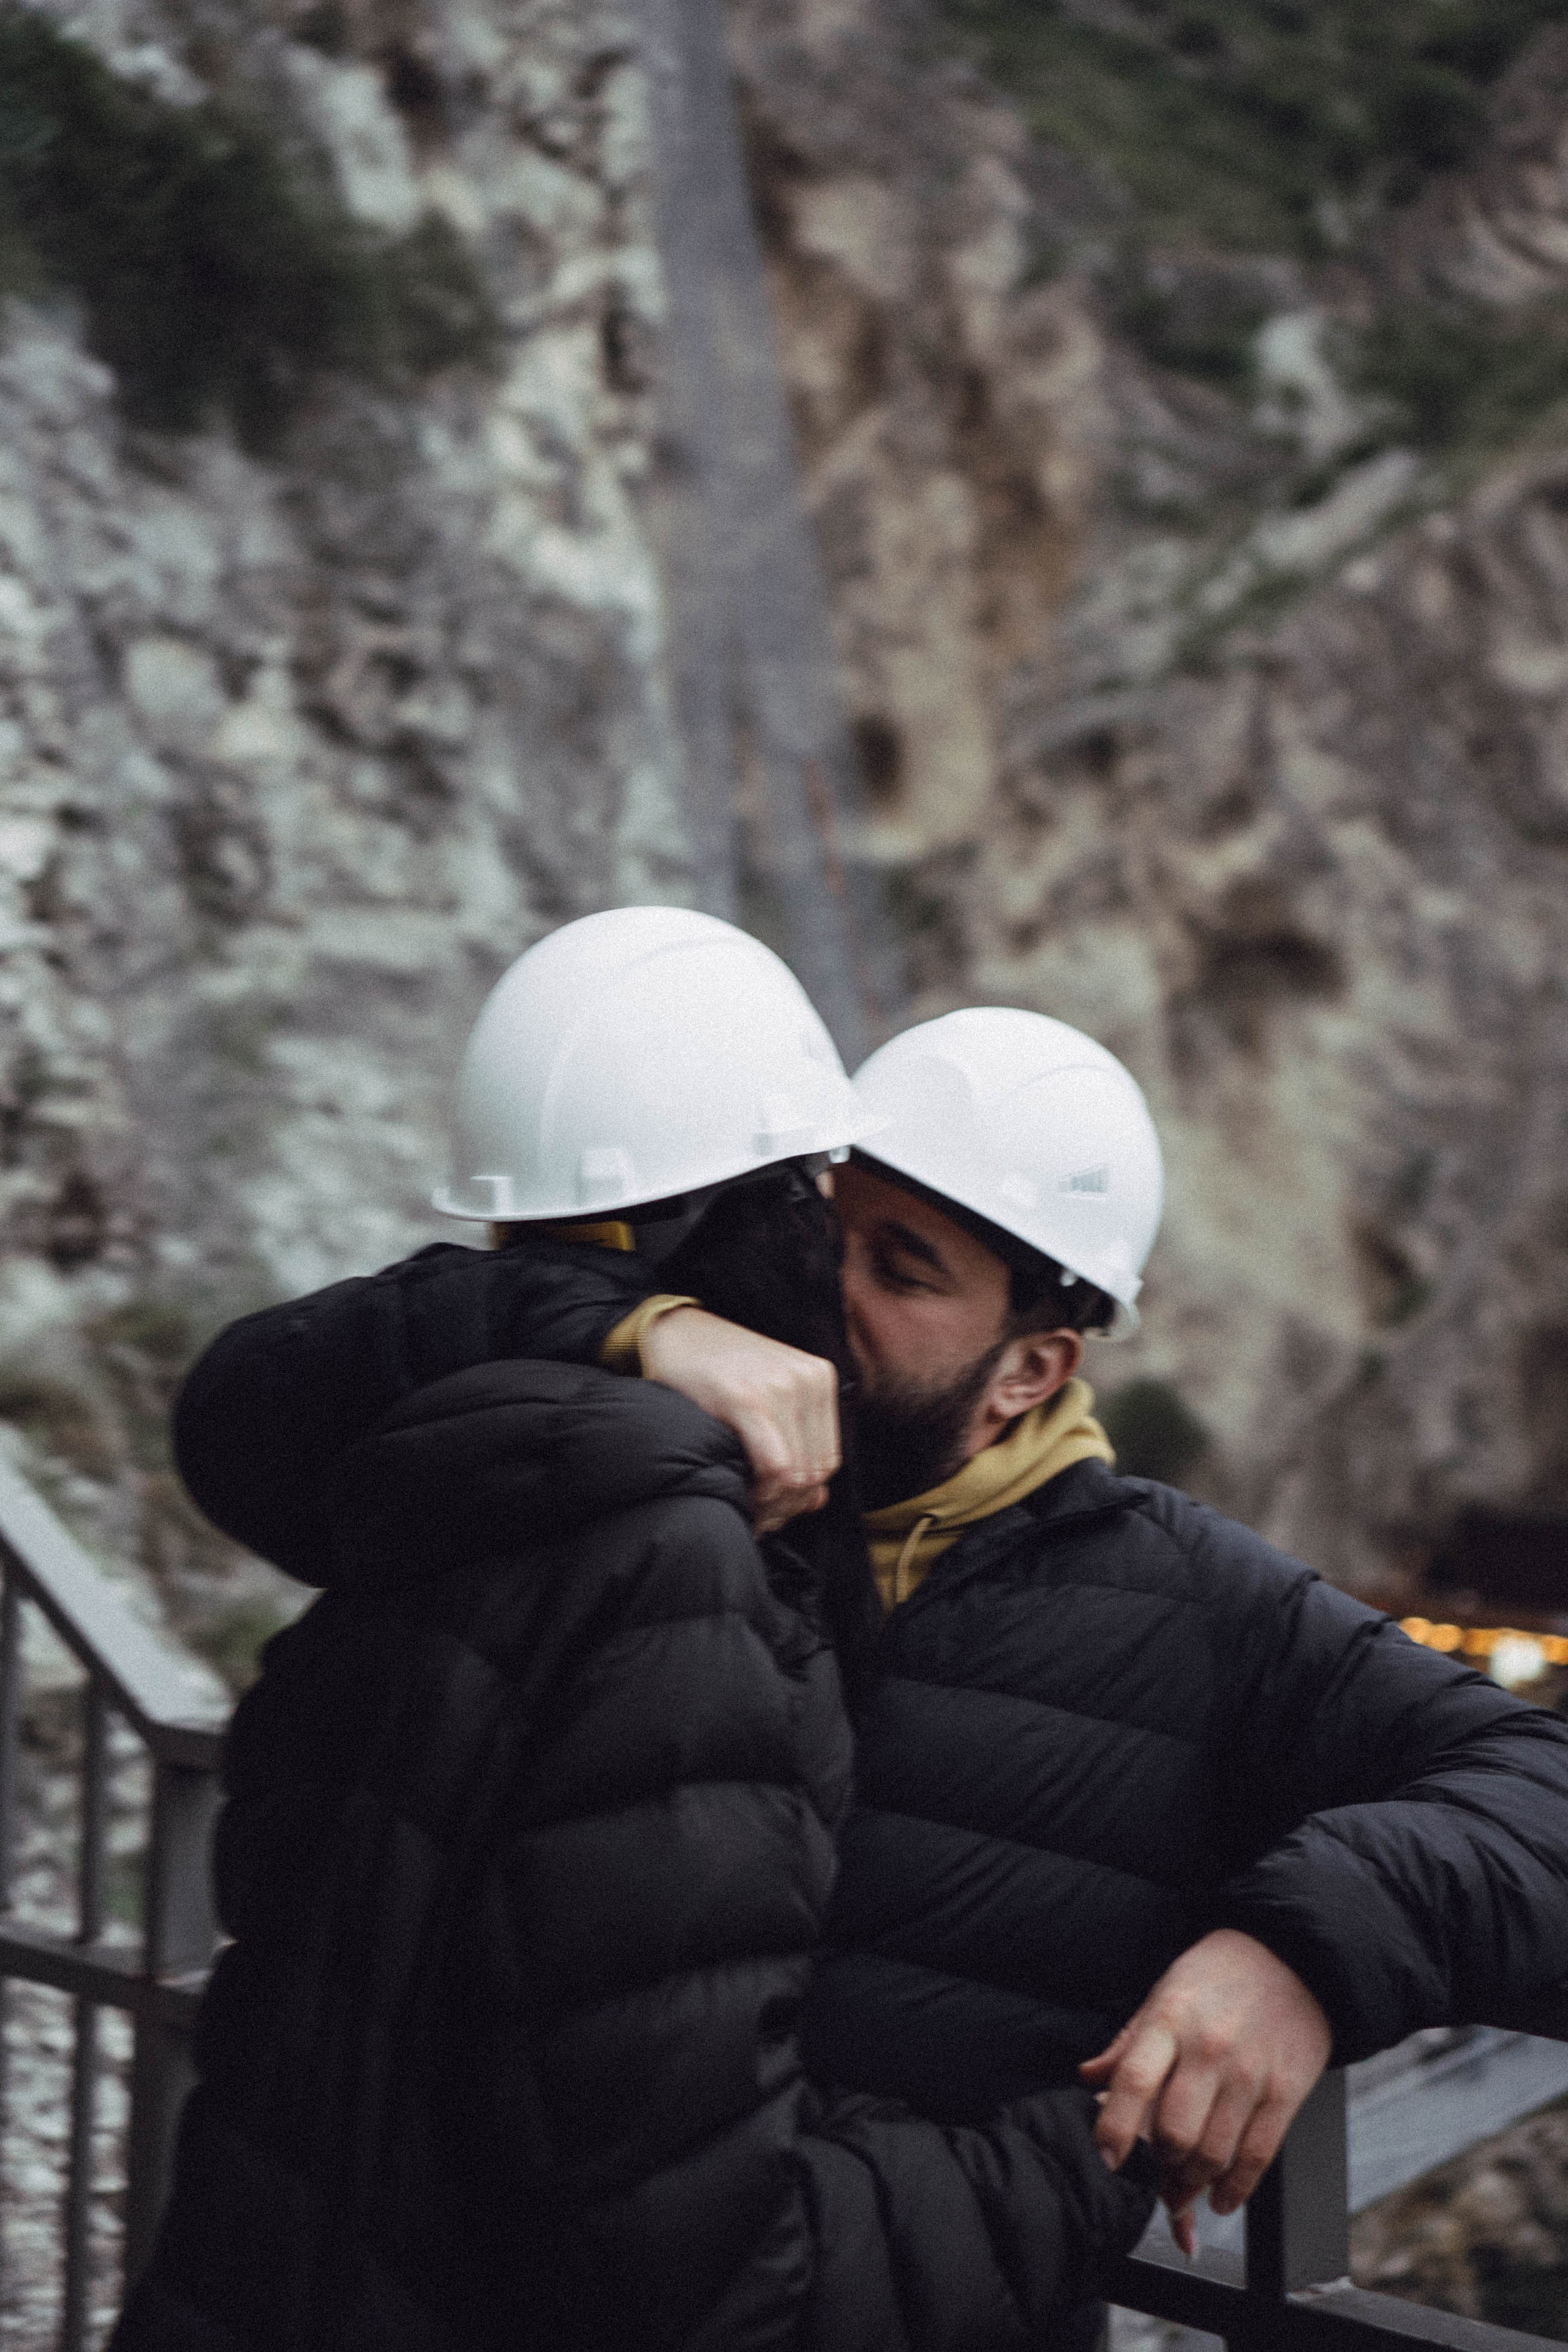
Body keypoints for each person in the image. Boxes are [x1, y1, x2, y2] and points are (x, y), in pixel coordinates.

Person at [168, 941, 1568, 2275]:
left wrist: (1302, 1948)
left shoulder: (1195, 1607)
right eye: (817, 1233)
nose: (822, 1292)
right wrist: (614, 1321)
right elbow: (255, 1414)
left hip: (876, 2283)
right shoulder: (675, 1457)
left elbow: (1539, 1792)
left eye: (900, 1273)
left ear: (1033, 1367)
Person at [112, 911, 1155, 2352]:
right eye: (816, 1211)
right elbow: (705, 2274)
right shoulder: (677, 1560)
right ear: (764, 1222)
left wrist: (626, 1325)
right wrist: (1083, 2155)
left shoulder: (435, 1476)